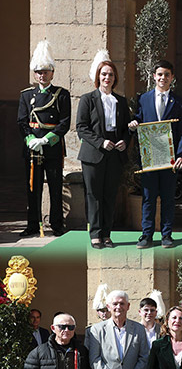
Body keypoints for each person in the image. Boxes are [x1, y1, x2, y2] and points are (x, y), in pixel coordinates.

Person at [129, 60, 182, 249]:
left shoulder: (179, 102)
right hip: (150, 157)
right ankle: (146, 235)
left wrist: (181, 155)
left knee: (168, 198)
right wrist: (133, 125)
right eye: (160, 74)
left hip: (170, 159)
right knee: (148, 197)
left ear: (172, 77)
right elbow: (139, 120)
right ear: (154, 76)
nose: (163, 78)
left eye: (167, 75)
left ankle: (166, 235)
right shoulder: (143, 99)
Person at [76, 51, 131, 249]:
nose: (107, 78)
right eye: (104, 74)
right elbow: (81, 127)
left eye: (111, 75)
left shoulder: (121, 101)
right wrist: (100, 142)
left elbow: (126, 128)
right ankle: (95, 234)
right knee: (94, 195)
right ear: (98, 76)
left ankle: (107, 234)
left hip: (115, 154)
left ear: (115, 78)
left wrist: (125, 141)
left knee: (110, 195)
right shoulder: (87, 99)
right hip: (93, 154)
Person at [17, 40, 71, 238]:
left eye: (46, 71)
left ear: (52, 73)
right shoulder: (26, 96)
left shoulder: (62, 95)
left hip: (52, 147)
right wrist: (31, 139)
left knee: (55, 187)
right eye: (39, 72)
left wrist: (46, 140)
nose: (42, 75)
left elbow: (64, 123)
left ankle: (57, 224)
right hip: (32, 148)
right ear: (34, 74)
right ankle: (33, 225)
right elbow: (22, 122)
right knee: (33, 188)